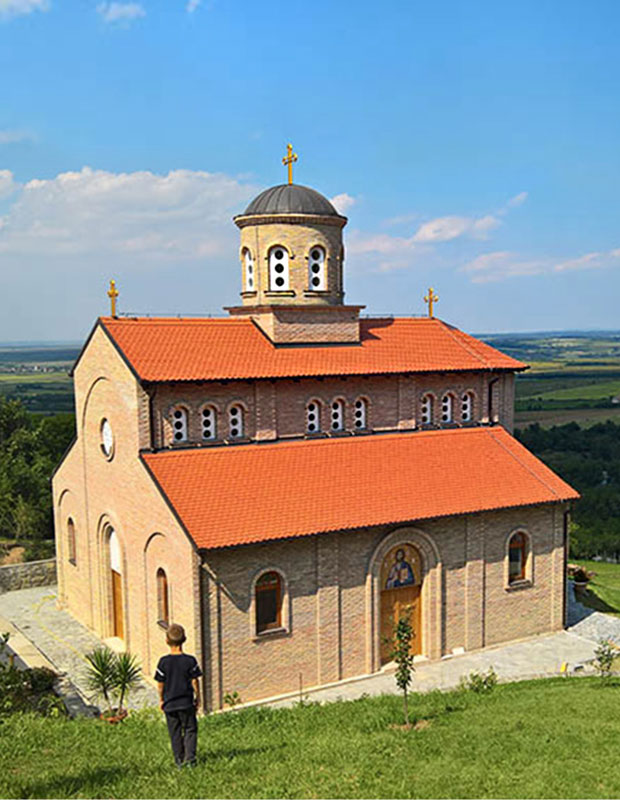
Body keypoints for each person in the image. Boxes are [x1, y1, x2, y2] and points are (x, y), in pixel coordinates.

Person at [154, 623, 202, 768]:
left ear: (167, 641)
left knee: (174, 732)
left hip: (170, 703)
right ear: (184, 639)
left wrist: (161, 699)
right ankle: (190, 759)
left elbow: (160, 683)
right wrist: (197, 697)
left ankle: (179, 761)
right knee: (190, 729)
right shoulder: (190, 661)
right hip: (186, 702)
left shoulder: (163, 662)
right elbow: (195, 681)